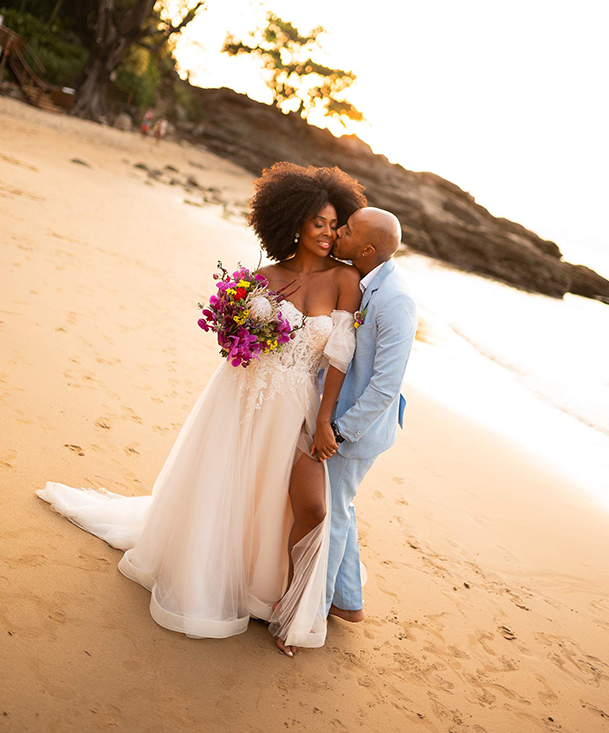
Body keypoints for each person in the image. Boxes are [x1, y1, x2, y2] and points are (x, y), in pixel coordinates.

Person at [36, 162, 366, 657]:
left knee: (294, 502)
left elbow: (338, 355)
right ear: (294, 221)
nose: (326, 232)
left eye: (333, 223)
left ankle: (279, 603)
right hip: (238, 396)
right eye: (317, 221)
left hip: (294, 406)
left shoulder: (345, 280)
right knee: (227, 486)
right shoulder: (262, 277)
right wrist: (238, 328)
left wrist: (323, 419)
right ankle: (221, 581)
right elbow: (231, 342)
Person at [320, 207, 418, 624]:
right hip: (345, 421)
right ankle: (348, 600)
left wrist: (337, 433)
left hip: (355, 431)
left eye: (346, 229)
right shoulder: (368, 282)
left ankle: (313, 610)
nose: (338, 232)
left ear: (366, 249)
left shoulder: (395, 300)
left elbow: (384, 386)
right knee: (341, 506)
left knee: (330, 513)